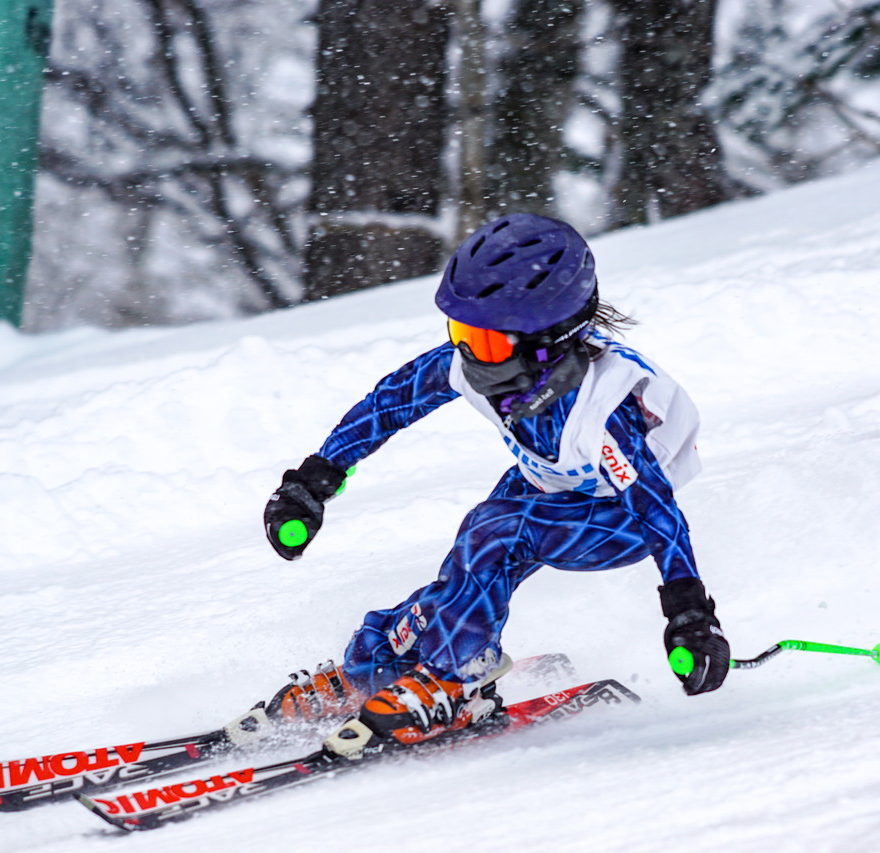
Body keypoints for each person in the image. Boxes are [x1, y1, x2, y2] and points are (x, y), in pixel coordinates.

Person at [258, 214, 730, 757]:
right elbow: (390, 403)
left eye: (483, 338)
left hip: (620, 518)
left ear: (546, 341)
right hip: (547, 484)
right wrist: (314, 482)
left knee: (496, 531)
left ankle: (457, 680)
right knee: (469, 568)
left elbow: (656, 512)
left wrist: (690, 616)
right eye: (460, 332)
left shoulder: (607, 406)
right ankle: (377, 664)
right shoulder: (475, 365)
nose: (465, 351)